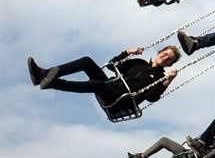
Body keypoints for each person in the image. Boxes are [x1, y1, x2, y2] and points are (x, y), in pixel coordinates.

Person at [27, 46, 180, 115]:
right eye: (165, 53)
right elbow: (113, 67)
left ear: (170, 64)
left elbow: (152, 98)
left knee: (98, 85)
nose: (165, 57)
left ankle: (54, 83)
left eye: (169, 59)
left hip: (121, 102)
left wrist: (169, 80)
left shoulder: (161, 78)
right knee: (86, 61)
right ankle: (43, 74)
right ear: (160, 52)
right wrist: (127, 53)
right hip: (110, 87)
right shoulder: (139, 63)